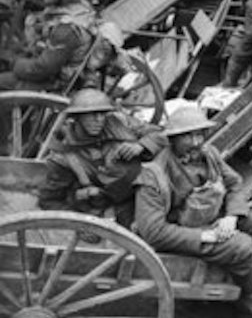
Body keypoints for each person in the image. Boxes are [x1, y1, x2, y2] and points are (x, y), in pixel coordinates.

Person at [133, 105, 252, 318]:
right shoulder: (153, 175)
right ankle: (248, 294)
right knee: (242, 246)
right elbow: (154, 232)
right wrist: (206, 235)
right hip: (183, 234)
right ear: (172, 139)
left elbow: (235, 183)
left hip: (215, 219)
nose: (196, 142)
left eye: (200, 134)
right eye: (188, 137)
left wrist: (231, 217)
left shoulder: (209, 154)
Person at [39, 88, 166, 227]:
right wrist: (79, 225)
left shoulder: (120, 122)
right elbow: (49, 201)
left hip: (141, 193)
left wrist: (141, 145)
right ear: (77, 117)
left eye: (102, 114)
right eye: (91, 115)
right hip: (105, 208)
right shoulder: (63, 157)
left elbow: (159, 133)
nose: (98, 120)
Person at [0, 0, 97, 94]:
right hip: (68, 72)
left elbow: (41, 70)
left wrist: (15, 64)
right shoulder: (83, 10)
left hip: (57, 84)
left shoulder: (67, 28)